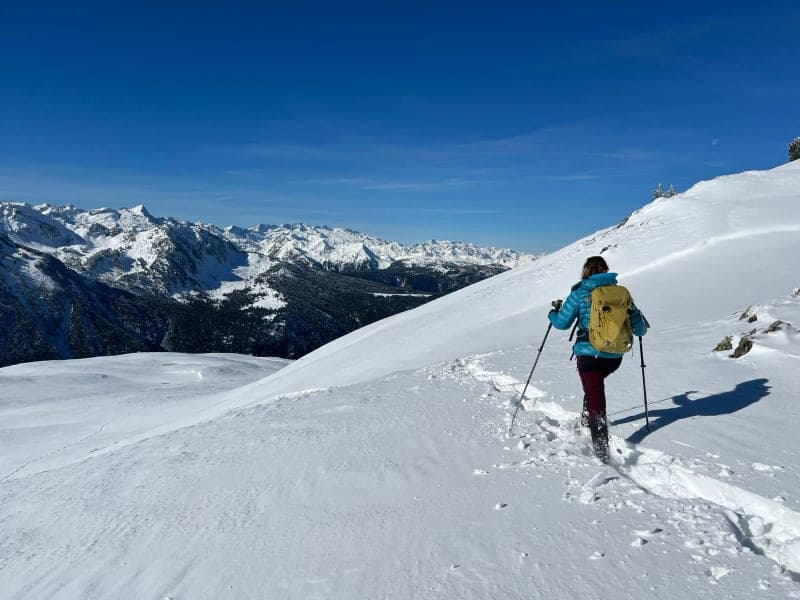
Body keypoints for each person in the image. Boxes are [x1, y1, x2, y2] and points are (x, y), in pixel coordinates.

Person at [548, 256, 649, 462]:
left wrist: (552, 313)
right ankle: (587, 419)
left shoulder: (580, 293)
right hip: (615, 356)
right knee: (593, 388)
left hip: (588, 354)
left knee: (595, 394)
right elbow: (640, 329)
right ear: (606, 271)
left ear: (585, 271)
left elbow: (561, 323)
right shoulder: (621, 293)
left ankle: (601, 448)